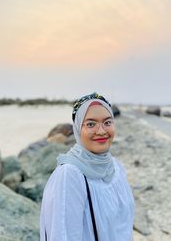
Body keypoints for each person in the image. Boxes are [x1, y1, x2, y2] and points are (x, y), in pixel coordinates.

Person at [40, 92, 135, 241]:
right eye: (91, 124)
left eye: (107, 122)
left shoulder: (116, 168)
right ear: (78, 129)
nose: (101, 131)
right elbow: (63, 235)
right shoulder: (70, 175)